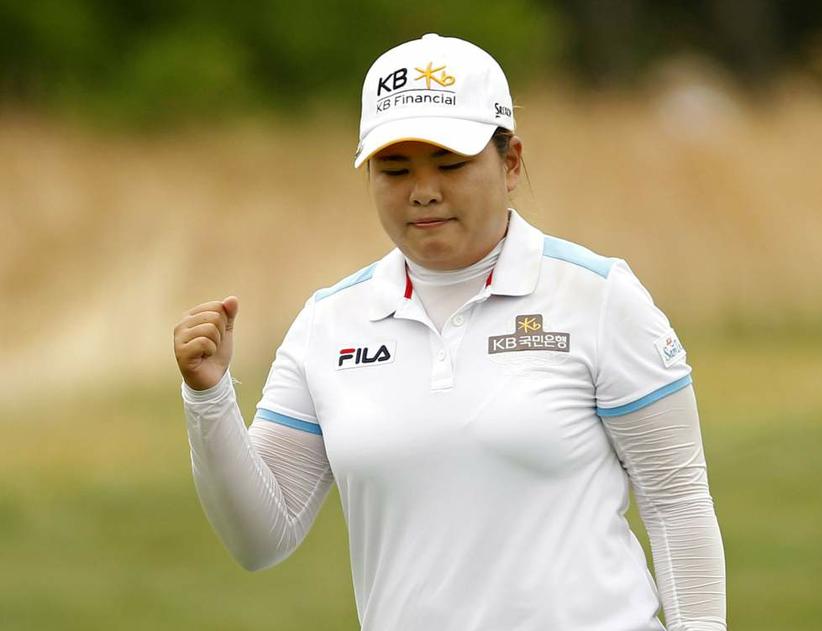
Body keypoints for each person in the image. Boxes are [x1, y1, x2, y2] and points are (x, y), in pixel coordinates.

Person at [173, 33, 726, 631]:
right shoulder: (328, 324)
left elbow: (677, 503)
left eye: (451, 164)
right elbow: (261, 538)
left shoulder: (597, 297)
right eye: (395, 169)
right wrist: (209, 396)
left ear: (510, 162)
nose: (424, 191)